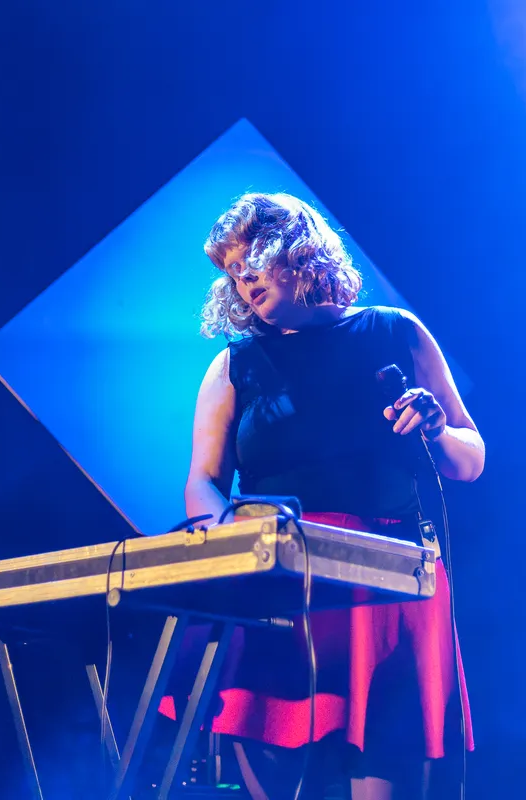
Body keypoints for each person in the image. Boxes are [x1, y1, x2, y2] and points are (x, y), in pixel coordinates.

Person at [168, 192, 485, 799]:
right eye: (232, 270)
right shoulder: (234, 366)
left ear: (297, 250)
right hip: (276, 583)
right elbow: (203, 480)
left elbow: (471, 459)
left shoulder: (394, 331)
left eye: (252, 257)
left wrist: (438, 427)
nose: (243, 278)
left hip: (383, 583)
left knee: (378, 761)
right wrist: (225, 544)